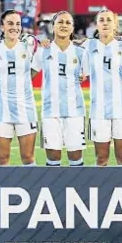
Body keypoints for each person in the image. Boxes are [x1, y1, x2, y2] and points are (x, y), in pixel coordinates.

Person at [31, 11, 86, 167]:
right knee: (53, 158)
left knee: (76, 159)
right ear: (53, 26)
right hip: (50, 112)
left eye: (68, 23)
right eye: (60, 22)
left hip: (75, 112)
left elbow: (91, 76)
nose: (64, 25)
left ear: (72, 28)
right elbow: (27, 77)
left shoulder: (81, 53)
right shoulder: (43, 51)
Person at [82, 9, 122, 166]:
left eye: (108, 20)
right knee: (101, 159)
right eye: (101, 20)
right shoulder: (88, 46)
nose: (105, 23)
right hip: (98, 110)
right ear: (96, 25)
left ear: (115, 24)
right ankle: (101, 190)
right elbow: (81, 72)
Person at [0, 10, 38, 166]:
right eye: (10, 23)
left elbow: (35, 69)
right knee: (2, 159)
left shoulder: (29, 46)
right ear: (2, 26)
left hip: (26, 109)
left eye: (17, 24)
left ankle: (32, 189)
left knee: (28, 157)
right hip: (2, 111)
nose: (14, 27)